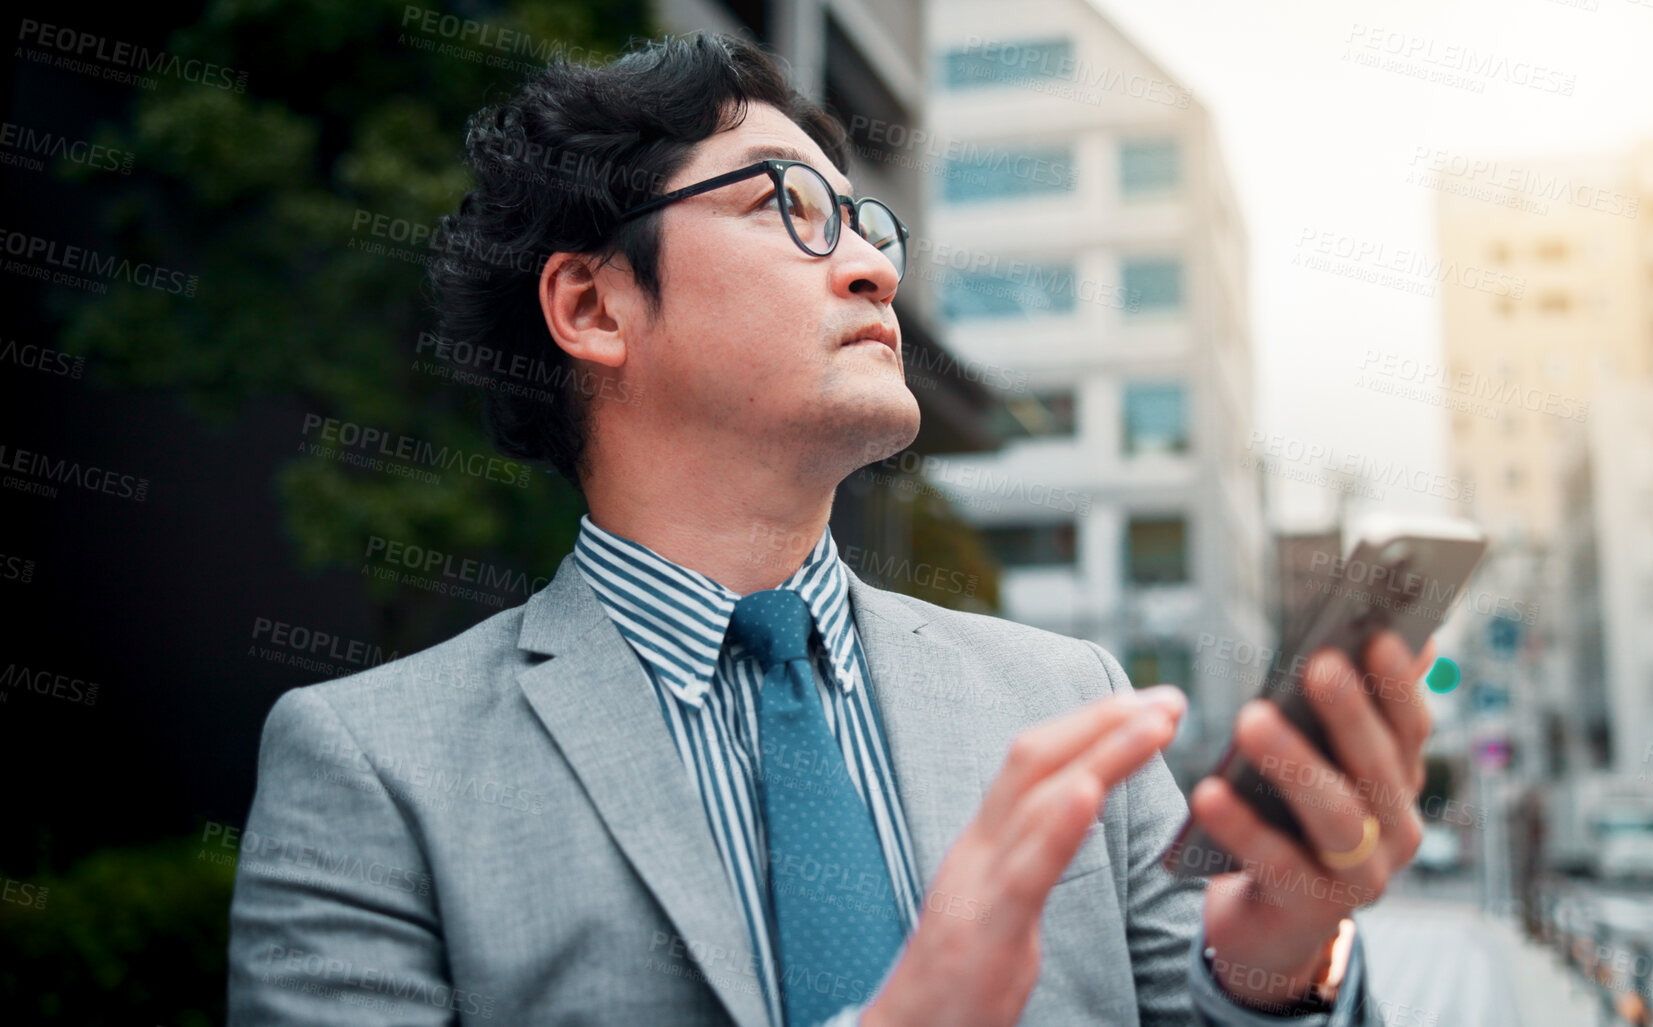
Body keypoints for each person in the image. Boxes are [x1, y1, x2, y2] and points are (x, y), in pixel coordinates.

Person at [224, 31, 1437, 1027]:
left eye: (865, 223)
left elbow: (1229, 989)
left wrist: (1280, 966)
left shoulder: (1066, 702)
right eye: (787, 208)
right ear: (592, 304)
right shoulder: (371, 769)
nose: (867, 267)